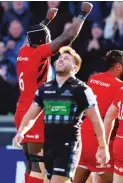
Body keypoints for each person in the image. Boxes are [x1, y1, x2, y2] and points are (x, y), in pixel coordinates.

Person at [14, 3, 94, 183]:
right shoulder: (39, 53)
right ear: (44, 43)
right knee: (39, 163)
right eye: (48, 40)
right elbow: (67, 37)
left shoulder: (23, 50)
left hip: (21, 110)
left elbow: (33, 35)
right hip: (36, 111)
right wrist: (82, 15)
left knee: (31, 161)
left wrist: (47, 20)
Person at [13, 46, 109, 183]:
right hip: (49, 147)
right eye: (60, 58)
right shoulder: (44, 89)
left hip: (68, 146)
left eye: (66, 59)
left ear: (75, 68)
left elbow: (96, 119)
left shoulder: (81, 89)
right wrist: (21, 131)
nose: (61, 60)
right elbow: (31, 115)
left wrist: (103, 146)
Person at [74, 50, 123, 183]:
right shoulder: (121, 87)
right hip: (100, 138)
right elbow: (111, 119)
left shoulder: (93, 78)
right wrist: (103, 145)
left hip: (83, 135)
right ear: (118, 66)